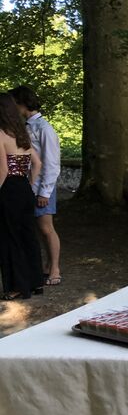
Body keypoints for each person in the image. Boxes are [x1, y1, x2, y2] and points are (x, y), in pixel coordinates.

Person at [9, 86, 61, 286]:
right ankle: (47, 266)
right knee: (38, 229)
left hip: (42, 187)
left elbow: (52, 163)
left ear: (22, 103)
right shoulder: (26, 126)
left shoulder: (44, 128)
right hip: (29, 186)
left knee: (47, 228)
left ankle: (55, 267)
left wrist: (45, 192)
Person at [0, 93, 44, 300]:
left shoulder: (0, 135)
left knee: (11, 238)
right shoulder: (22, 135)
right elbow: (37, 164)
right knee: (28, 236)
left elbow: (3, 171)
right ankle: (35, 282)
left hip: (8, 190)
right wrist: (30, 183)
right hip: (24, 188)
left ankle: (18, 286)